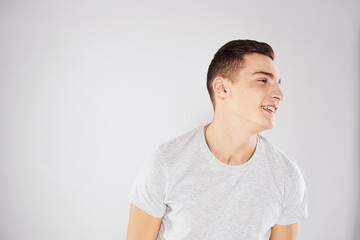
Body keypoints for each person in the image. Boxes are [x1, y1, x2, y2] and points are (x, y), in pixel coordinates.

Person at [126, 39, 308, 240]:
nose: (279, 95)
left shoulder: (286, 175)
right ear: (222, 88)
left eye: (278, 84)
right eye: (263, 81)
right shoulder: (166, 162)